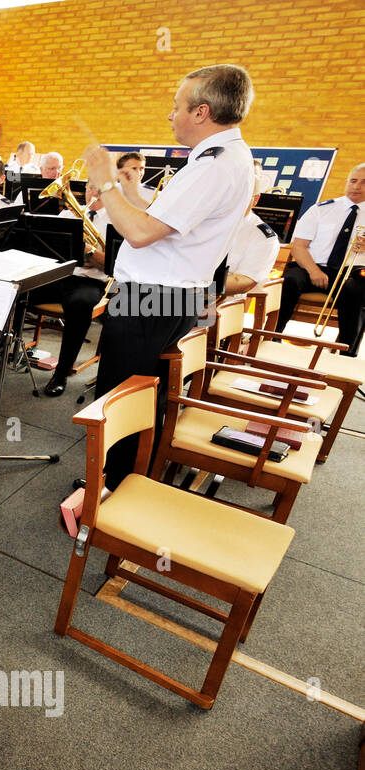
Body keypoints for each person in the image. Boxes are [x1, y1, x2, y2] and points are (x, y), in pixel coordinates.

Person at [81, 63, 256, 487]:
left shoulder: (213, 164)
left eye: (176, 106)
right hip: (170, 295)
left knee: (122, 395)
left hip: (151, 298)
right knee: (143, 392)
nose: (169, 114)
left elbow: (140, 233)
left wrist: (105, 184)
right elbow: (159, 221)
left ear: (201, 112)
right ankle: (132, 473)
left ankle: (115, 487)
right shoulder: (227, 156)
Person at [273, 162, 365, 355]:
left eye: (363, 182)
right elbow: (298, 246)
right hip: (312, 268)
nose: (356, 186)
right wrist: (313, 270)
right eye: (353, 181)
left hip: (351, 274)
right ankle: (271, 336)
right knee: (289, 280)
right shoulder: (321, 209)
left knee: (356, 290)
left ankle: (347, 352)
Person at [36, 184, 112, 397]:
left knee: (80, 305)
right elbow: (48, 247)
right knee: (18, 289)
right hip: (59, 275)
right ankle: (1, 351)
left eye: (100, 190)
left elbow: (112, 265)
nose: (94, 194)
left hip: (90, 282)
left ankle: (61, 373)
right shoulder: (67, 214)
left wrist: (88, 254)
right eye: (90, 188)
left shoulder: (117, 221)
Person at [223, 167, 281, 296]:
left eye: (240, 199)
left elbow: (244, 281)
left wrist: (195, 286)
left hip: (220, 301)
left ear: (255, 200)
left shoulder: (263, 237)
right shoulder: (202, 221)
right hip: (177, 291)